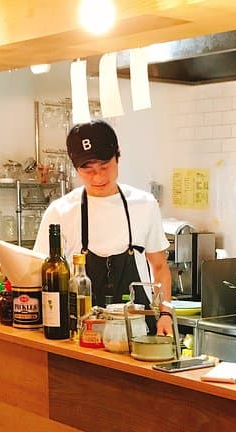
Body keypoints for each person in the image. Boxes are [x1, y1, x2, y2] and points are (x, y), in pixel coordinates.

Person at [33, 120, 173, 336]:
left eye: (105, 167)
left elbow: (160, 267)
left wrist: (166, 314)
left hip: (137, 332)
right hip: (80, 334)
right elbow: (38, 276)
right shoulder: (60, 212)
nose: (98, 177)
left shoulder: (144, 204)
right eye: (87, 170)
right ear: (75, 167)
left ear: (118, 155)